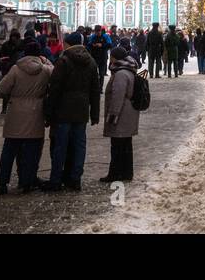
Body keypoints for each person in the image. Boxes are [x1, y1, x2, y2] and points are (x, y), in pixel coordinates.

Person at [41, 36, 100, 192]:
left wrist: (48, 112)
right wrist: (95, 114)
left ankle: (55, 181)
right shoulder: (91, 62)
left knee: (60, 147)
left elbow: (54, 89)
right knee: (79, 146)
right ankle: (75, 179)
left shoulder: (64, 61)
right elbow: (95, 90)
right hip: (81, 111)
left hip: (63, 110)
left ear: (68, 43)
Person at [0, 40, 53, 194]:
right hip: (35, 113)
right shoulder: (45, 70)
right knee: (32, 152)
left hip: (15, 114)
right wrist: (46, 61)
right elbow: (55, 76)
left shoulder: (15, 69)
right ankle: (27, 182)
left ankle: (2, 183)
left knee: (9, 151)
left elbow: (3, 88)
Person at [101, 46, 141, 183]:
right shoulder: (129, 70)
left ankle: (115, 173)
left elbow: (117, 97)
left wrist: (112, 117)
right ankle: (126, 172)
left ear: (115, 58)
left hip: (122, 115)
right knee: (126, 145)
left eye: (111, 56)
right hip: (129, 113)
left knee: (117, 145)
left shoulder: (120, 74)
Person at [0, 29, 23, 114]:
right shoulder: (6, 45)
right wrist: (2, 67)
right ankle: (4, 108)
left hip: (17, 70)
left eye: (15, 37)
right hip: (7, 70)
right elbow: (1, 58)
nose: (13, 39)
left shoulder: (21, 45)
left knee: (15, 90)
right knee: (7, 89)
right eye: (12, 37)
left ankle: (13, 108)